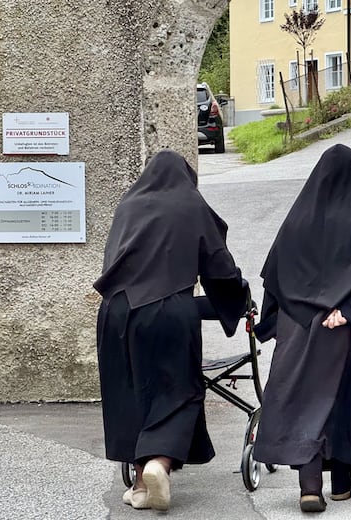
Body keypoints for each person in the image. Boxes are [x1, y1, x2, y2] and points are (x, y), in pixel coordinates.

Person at [93, 150, 247, 511]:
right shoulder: (189, 204)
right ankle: (157, 464)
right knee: (178, 390)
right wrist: (237, 298)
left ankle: (141, 487)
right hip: (164, 309)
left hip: (114, 312)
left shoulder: (128, 205)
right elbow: (218, 267)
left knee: (130, 390)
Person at [252, 144, 351, 513]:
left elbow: (275, 274)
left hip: (299, 325)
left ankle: (310, 486)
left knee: (304, 401)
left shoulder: (299, 218)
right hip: (349, 329)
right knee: (348, 398)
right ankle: (343, 483)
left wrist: (274, 324)